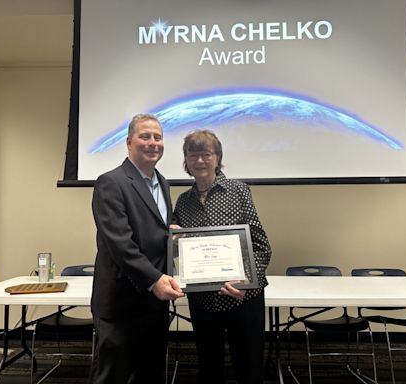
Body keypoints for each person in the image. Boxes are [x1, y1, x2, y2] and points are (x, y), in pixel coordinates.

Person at [90, 113, 185, 384]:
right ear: (129, 142)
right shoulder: (111, 182)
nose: (153, 142)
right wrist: (154, 279)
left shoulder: (162, 183)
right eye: (145, 136)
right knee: (112, 376)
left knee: (149, 373)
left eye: (158, 137)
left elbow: (152, 230)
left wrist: (172, 234)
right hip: (121, 303)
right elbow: (120, 243)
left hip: (155, 302)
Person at [173, 129, 272, 384]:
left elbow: (261, 245)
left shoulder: (238, 191)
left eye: (206, 154)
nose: (199, 161)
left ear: (217, 157)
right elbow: (176, 250)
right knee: (208, 367)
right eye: (193, 155)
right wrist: (171, 238)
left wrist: (247, 282)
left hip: (242, 297)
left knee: (248, 368)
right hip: (203, 300)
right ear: (186, 161)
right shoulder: (182, 202)